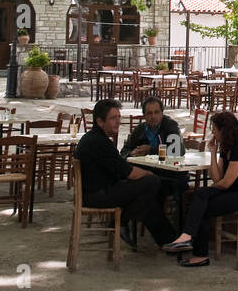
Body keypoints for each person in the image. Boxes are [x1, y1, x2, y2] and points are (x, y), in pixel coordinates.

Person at [164, 111, 238, 267]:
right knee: (201, 200)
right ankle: (193, 245)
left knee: (202, 201)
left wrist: (210, 191)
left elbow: (225, 184)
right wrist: (213, 153)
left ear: (224, 130)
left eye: (215, 130)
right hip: (234, 190)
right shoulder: (226, 148)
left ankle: (192, 244)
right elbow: (217, 178)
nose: (213, 133)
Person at [76, 99, 177, 252]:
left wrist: (150, 151)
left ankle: (167, 240)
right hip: (98, 195)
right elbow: (128, 171)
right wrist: (148, 174)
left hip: (101, 190)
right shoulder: (99, 142)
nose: (118, 122)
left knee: (146, 196)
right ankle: (123, 222)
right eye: (113, 118)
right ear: (100, 121)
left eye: (119, 117)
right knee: (152, 182)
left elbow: (177, 150)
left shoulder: (170, 126)